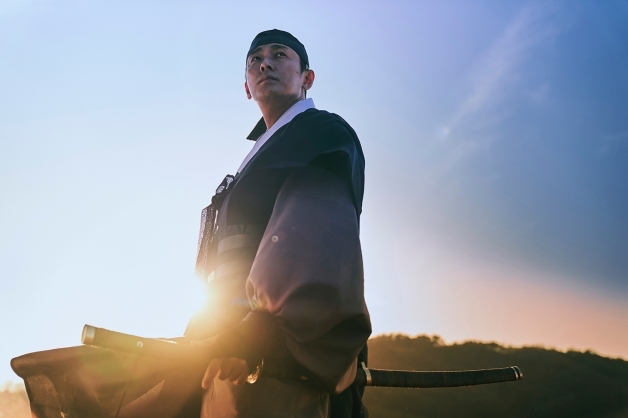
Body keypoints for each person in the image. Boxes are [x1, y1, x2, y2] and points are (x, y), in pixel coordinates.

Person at [185, 29, 372, 418]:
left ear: (308, 78)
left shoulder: (320, 134)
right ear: (246, 87)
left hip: (278, 351)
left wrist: (257, 334)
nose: (264, 64)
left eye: (279, 55)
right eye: (255, 59)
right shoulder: (261, 152)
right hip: (227, 341)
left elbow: (314, 236)